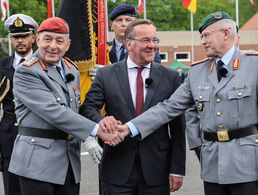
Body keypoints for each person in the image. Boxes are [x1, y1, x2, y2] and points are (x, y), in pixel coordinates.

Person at [118, 11, 258, 195]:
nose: (202, 41)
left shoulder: (253, 66)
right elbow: (168, 107)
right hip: (212, 166)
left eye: (206, 35)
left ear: (225, 33)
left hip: (248, 165)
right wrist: (130, 127)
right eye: (202, 36)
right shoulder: (197, 72)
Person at [8, 17, 121, 195]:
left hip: (69, 161)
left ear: (67, 45)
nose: (53, 46)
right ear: (37, 40)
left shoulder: (71, 69)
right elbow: (54, 112)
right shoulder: (27, 71)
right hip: (37, 164)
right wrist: (95, 130)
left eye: (60, 41)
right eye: (48, 39)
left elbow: (74, 109)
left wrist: (102, 122)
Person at [80, 19, 186, 195]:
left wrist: (177, 168)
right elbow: (88, 108)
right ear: (129, 44)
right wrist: (102, 121)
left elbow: (178, 127)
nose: (152, 46)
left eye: (155, 40)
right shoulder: (106, 74)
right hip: (116, 169)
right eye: (146, 40)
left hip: (157, 171)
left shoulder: (171, 77)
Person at [0, 14, 38, 195]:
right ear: (10, 39)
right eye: (16, 37)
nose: (20, 41)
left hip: (37, 133)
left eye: (24, 36)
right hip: (9, 134)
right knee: (12, 187)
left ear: (33, 37)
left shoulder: (44, 65)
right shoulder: (1, 67)